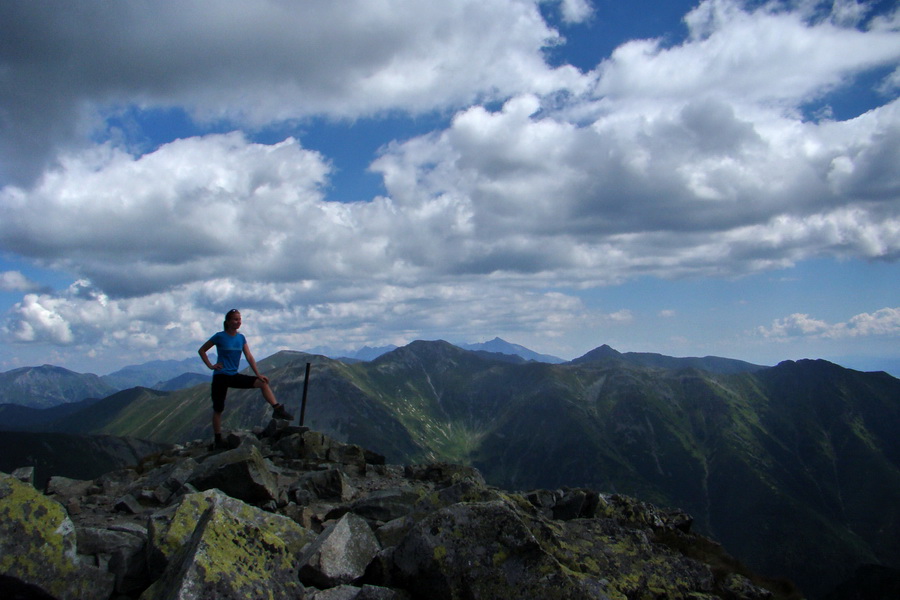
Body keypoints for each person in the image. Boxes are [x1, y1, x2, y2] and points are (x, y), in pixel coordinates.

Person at [198, 309, 293, 449]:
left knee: (262, 383)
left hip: (233, 375)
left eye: (239, 319)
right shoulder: (219, 336)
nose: (238, 322)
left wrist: (258, 374)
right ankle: (218, 439)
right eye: (235, 319)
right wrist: (211, 366)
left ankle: (277, 408)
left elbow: (249, 356)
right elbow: (202, 350)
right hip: (221, 376)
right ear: (228, 322)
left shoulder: (241, 338)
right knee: (218, 409)